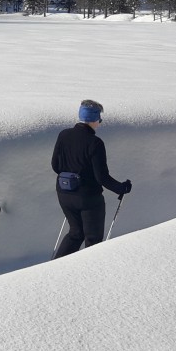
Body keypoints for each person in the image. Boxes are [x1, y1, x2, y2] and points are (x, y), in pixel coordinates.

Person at [51, 100, 131, 258]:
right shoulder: (95, 143)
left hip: (64, 194)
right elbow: (102, 177)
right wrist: (122, 188)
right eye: (99, 119)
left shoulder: (63, 135)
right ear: (94, 119)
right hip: (88, 199)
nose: (99, 123)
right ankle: (90, 276)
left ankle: (54, 269)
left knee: (75, 233)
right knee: (92, 240)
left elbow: (55, 166)